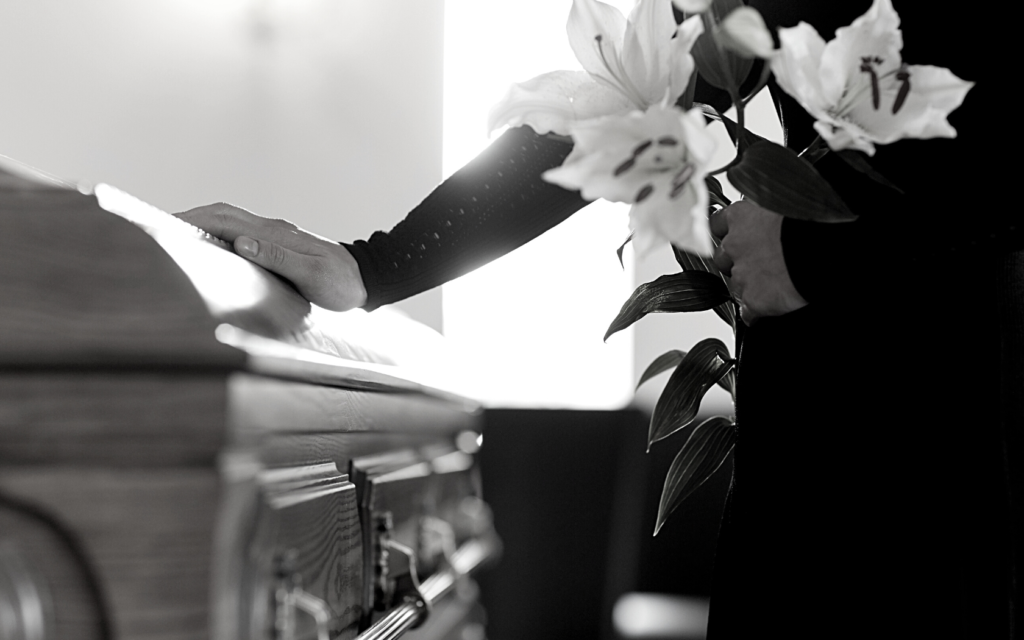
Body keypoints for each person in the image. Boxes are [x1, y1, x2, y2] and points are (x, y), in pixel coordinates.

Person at [178, 1, 1021, 636]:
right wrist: (378, 262)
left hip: (965, 405)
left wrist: (816, 243)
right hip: (818, 420)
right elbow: (621, 108)